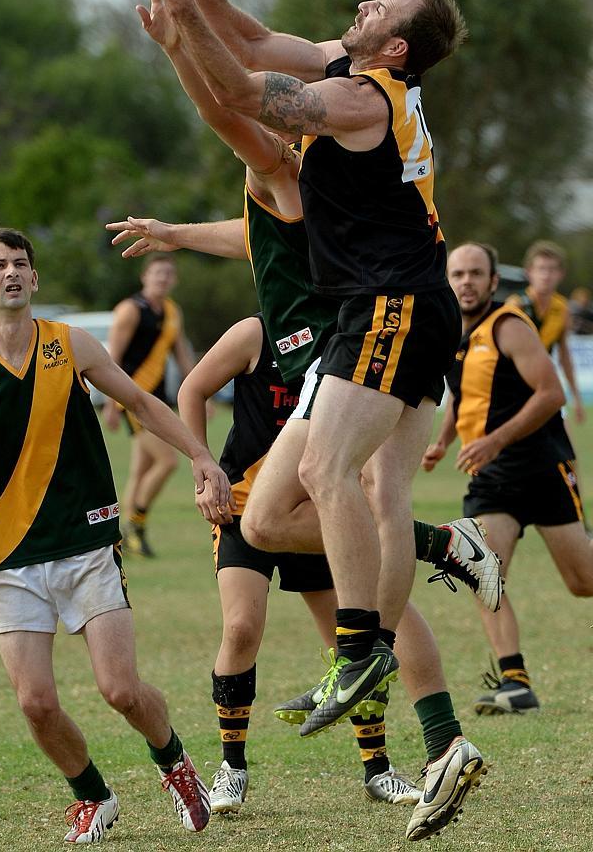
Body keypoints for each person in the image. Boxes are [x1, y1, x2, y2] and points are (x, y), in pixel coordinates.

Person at [108, 0, 493, 841]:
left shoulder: (357, 102)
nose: (360, 4)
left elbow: (238, 95)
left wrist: (177, 28)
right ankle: (439, 580)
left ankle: (361, 652)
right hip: (381, 311)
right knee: (277, 512)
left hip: (392, 307)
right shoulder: (343, 70)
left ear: (395, 49)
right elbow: (246, 42)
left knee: (340, 478)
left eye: (378, 7)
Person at [0, 227, 232, 842]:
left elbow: (139, 402)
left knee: (121, 690)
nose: (11, 274)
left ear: (35, 278)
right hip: (11, 557)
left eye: (20, 264)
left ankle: (175, 763)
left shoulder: (70, 345)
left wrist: (199, 456)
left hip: (86, 546)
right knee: (36, 704)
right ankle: (94, 796)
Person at [178, 313, 423, 811]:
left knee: (349, 645)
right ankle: (231, 769)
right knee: (242, 628)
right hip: (242, 506)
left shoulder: (354, 333)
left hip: (318, 511)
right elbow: (191, 389)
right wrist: (202, 469)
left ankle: (378, 768)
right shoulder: (255, 330)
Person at [423, 242, 593, 715]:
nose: (466, 281)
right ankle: (515, 681)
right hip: (491, 477)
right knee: (483, 570)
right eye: (458, 273)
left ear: (493, 281)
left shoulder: (508, 327)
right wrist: (443, 440)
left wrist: (496, 440)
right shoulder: (451, 333)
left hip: (542, 467)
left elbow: (551, 393)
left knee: (585, 583)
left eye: (475, 273)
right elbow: (462, 395)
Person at [103, 253, 195, 557]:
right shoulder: (130, 310)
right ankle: (136, 526)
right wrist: (109, 403)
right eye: (157, 273)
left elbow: (182, 355)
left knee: (141, 471)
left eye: (168, 274)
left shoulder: (171, 312)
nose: (163, 279)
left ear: (175, 280)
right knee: (167, 462)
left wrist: (199, 390)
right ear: (145, 276)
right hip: (131, 399)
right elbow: (110, 360)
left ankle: (125, 538)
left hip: (158, 401)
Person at [507, 240, 585, 423]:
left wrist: (576, 398)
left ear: (561, 274)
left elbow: (564, 355)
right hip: (513, 388)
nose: (546, 275)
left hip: (545, 386)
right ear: (529, 272)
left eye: (552, 269)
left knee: (566, 449)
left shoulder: (562, 308)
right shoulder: (516, 305)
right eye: (541, 268)